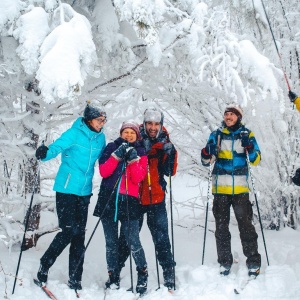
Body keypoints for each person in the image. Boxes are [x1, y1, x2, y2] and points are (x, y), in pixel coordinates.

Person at [34, 102, 107, 291]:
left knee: (79, 236)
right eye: (100, 120)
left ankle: (75, 279)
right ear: (89, 119)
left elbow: (104, 160)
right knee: (68, 231)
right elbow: (56, 148)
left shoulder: (101, 139)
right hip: (66, 190)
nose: (102, 123)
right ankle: (44, 265)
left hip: (84, 193)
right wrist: (44, 153)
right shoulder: (74, 133)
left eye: (104, 120)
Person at [118, 108, 178, 290]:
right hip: (134, 197)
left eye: (156, 124)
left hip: (156, 199)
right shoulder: (134, 137)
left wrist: (171, 154)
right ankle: (115, 271)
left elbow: (170, 172)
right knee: (127, 238)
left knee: (162, 239)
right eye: (150, 123)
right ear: (144, 123)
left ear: (161, 124)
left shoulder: (165, 142)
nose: (153, 127)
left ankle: (168, 272)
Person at [201, 103, 261, 278]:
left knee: (246, 227)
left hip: (240, 189)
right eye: (226, 114)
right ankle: (224, 262)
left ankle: (253, 261)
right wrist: (206, 152)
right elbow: (206, 161)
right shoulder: (216, 135)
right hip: (220, 189)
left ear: (238, 117)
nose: (228, 117)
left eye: (232, 114)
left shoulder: (247, 134)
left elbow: (256, 160)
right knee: (221, 228)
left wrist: (249, 147)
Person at [93, 121, 148, 295]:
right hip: (108, 199)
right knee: (110, 242)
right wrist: (116, 156)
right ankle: (113, 275)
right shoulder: (111, 147)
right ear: (121, 133)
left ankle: (142, 272)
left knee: (132, 239)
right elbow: (104, 171)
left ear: (137, 135)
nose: (129, 135)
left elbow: (138, 178)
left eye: (132, 132)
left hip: (129, 202)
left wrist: (132, 160)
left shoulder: (140, 152)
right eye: (126, 132)